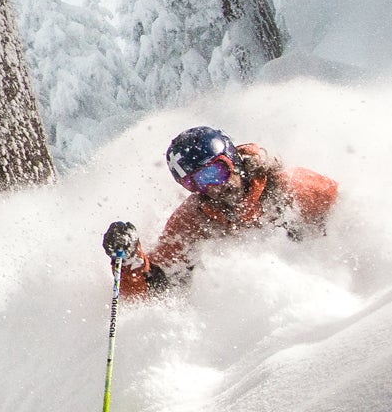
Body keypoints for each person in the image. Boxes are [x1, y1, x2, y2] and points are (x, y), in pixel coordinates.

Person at [104, 126, 339, 299]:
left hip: (322, 283)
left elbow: (348, 215)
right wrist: (129, 260)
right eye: (196, 184)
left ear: (233, 160)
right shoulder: (194, 219)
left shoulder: (289, 186)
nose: (215, 187)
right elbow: (152, 288)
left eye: (215, 172)